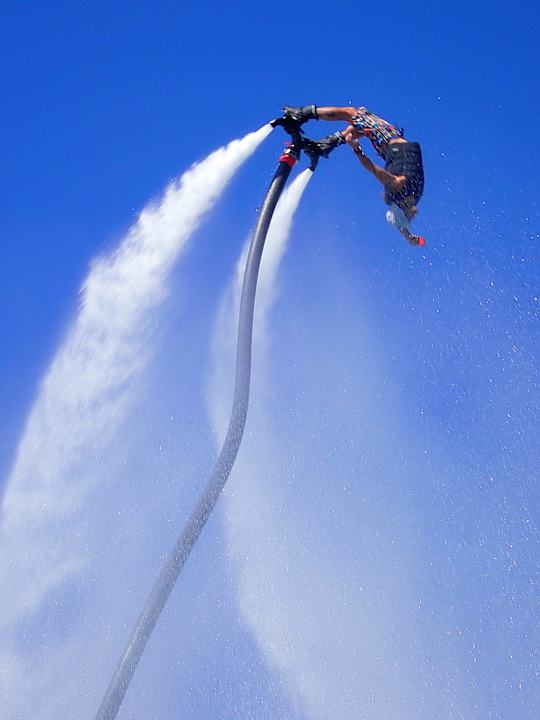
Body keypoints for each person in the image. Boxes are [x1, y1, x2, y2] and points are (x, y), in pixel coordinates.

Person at [282, 105, 425, 246]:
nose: (413, 212)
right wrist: (411, 238)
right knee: (360, 124)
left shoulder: (397, 184)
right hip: (389, 149)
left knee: (352, 113)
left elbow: (373, 169)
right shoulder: (405, 198)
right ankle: (325, 145)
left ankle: (302, 114)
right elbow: (403, 226)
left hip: (389, 141)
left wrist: (358, 151)